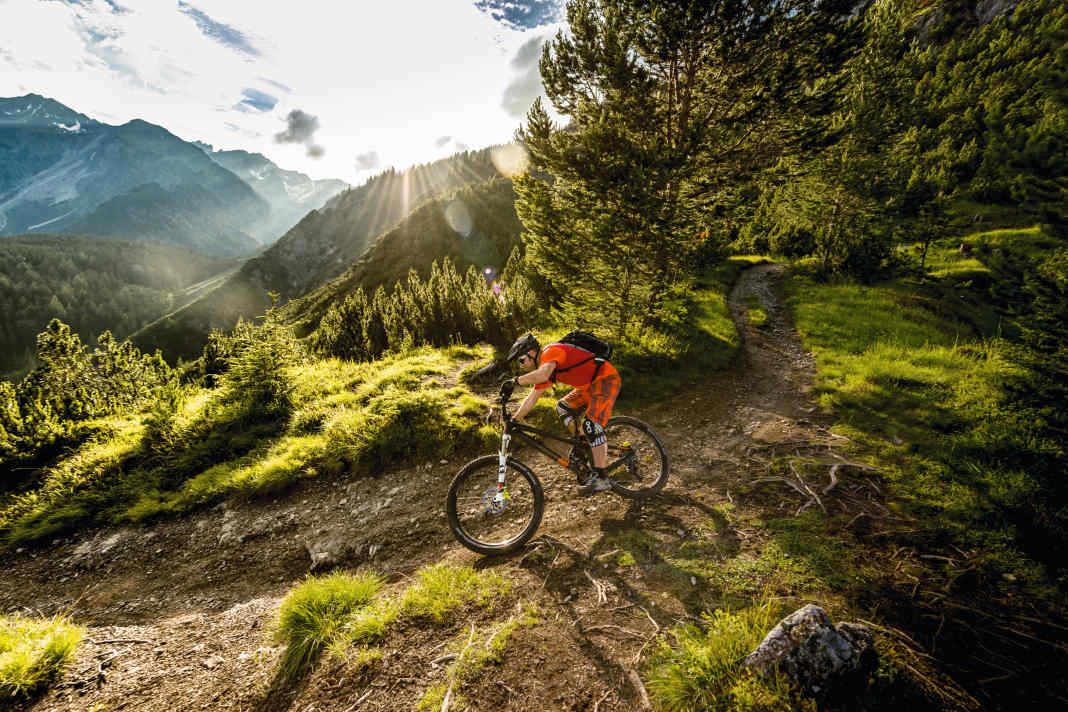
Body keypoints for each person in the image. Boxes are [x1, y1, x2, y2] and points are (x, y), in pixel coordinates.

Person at [504, 332, 622, 495]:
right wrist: (515, 418)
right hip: (588, 386)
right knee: (563, 406)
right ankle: (583, 443)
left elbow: (542, 375)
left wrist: (515, 381)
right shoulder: (546, 368)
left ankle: (602, 478)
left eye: (521, 360)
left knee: (590, 425)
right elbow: (532, 398)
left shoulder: (550, 352)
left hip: (605, 379)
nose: (521, 365)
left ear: (531, 353)